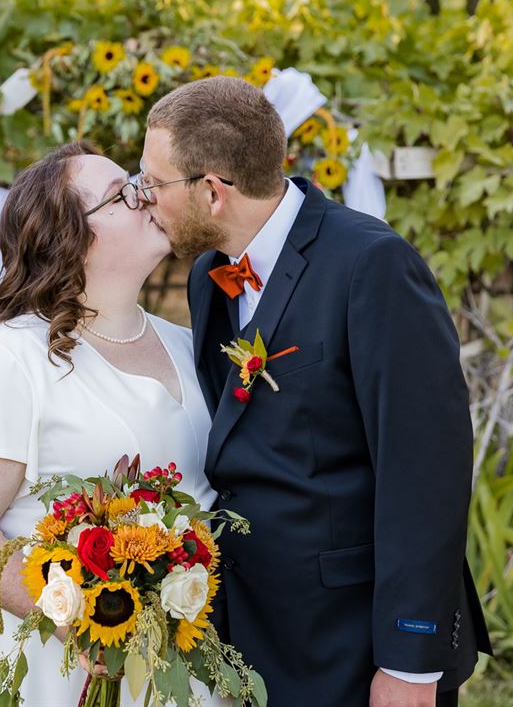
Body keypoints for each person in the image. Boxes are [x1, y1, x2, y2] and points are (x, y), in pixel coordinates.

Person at [139, 76, 493, 706]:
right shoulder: (208, 275)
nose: (145, 199)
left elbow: (425, 471)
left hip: (351, 640)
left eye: (153, 183)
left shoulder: (372, 265)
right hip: (246, 629)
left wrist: (410, 662)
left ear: (213, 191)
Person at [0, 142, 227, 706]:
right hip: (66, 665)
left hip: (187, 651)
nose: (146, 195)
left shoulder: (187, 344)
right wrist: (72, 615)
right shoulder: (9, 360)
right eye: (121, 194)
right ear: (69, 238)